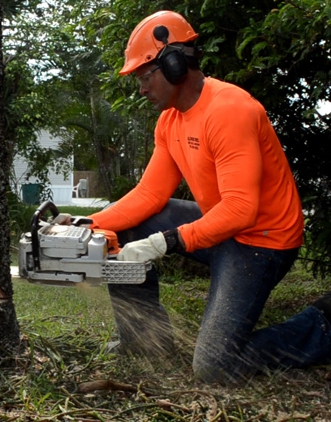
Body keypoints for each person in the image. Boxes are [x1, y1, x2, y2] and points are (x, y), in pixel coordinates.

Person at [56, 10, 331, 383]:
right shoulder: (170, 120)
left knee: (216, 366)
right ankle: (145, 340)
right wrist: (87, 223)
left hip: (262, 243)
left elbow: (241, 209)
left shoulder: (230, 111)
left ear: (173, 64)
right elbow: (150, 192)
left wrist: (164, 242)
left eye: (144, 76)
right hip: (223, 226)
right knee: (133, 225)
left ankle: (320, 324)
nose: (141, 88)